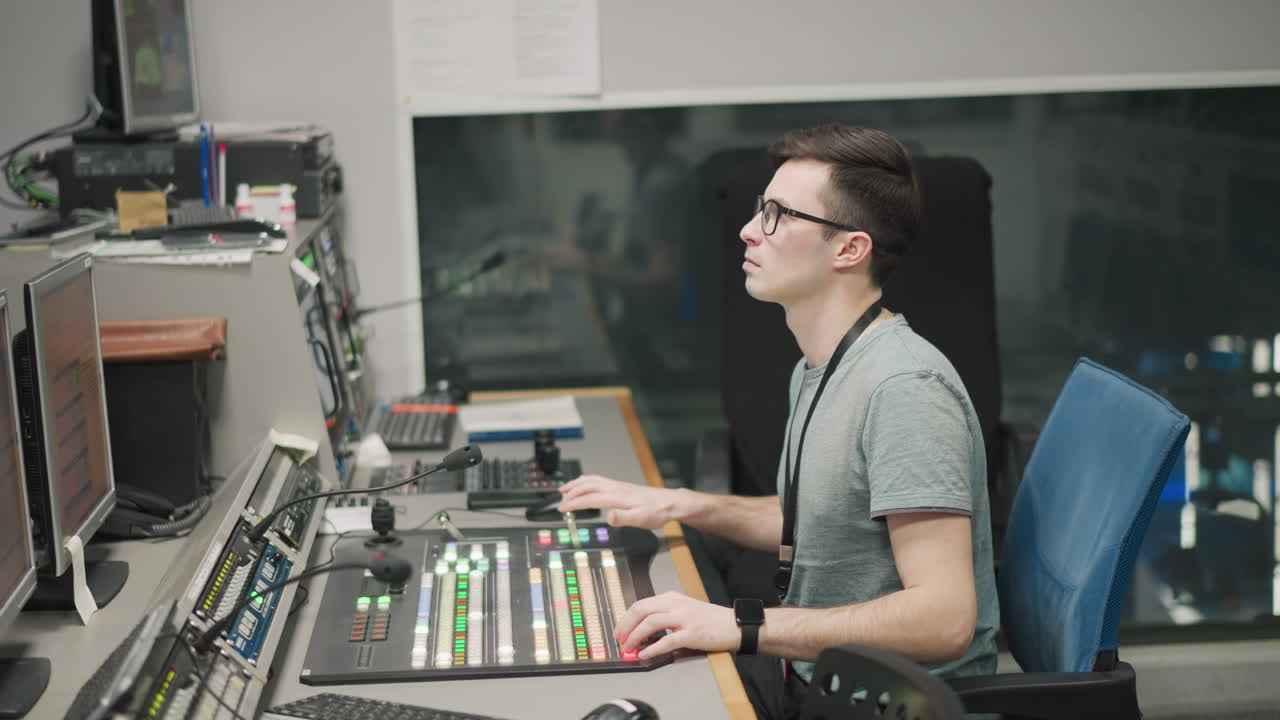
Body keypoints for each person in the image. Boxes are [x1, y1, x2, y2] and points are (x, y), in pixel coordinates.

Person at [558, 124, 999, 720]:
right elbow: (816, 519)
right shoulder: (821, 366)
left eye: (777, 215)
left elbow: (944, 619)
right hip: (815, 681)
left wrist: (740, 625)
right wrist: (678, 504)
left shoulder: (904, 390)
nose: (748, 229)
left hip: (884, 705)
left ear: (850, 249)